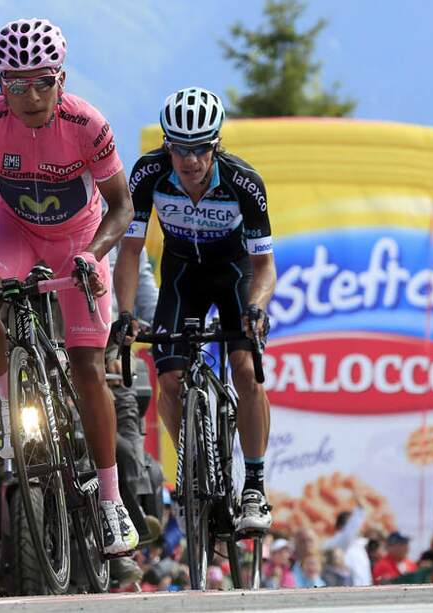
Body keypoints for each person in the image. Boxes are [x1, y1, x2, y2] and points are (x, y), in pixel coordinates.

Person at [0, 17, 138, 555]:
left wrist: (92, 254)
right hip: (12, 228)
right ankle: (5, 389)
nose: (32, 94)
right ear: (0, 86)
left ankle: (111, 504)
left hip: (78, 239)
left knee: (88, 366)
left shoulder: (88, 123)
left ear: (61, 78)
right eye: (17, 84)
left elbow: (123, 205)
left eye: (43, 80)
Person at [114, 86, 276, 532]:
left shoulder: (244, 182)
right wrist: (125, 315)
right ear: (168, 144)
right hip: (182, 274)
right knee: (168, 376)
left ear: (215, 144)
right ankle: (191, 463)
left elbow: (264, 266)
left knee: (245, 368)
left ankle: (256, 488)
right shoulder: (148, 174)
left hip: (234, 275)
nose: (189, 159)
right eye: (179, 148)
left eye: (200, 148)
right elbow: (130, 252)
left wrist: (257, 308)